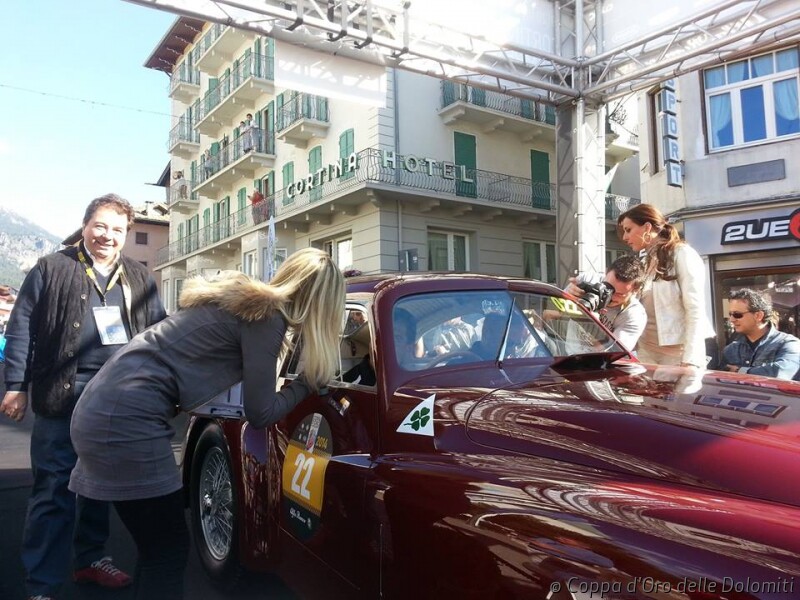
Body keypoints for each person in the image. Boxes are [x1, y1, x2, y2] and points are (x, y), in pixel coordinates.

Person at [68, 248, 345, 600]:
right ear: (322, 302)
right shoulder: (267, 317)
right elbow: (261, 413)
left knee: (156, 548)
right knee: (167, 551)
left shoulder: (248, 306)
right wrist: (306, 384)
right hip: (126, 418)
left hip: (104, 407)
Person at [0, 193, 166, 600]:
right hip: (62, 392)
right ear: (85, 226)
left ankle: (90, 560)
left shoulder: (139, 277)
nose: (108, 236)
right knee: (54, 487)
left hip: (116, 396)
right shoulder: (51, 268)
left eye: (117, 229)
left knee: (100, 484)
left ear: (126, 234)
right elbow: (21, 328)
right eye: (100, 226)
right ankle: (42, 584)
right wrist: (16, 386)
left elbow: (158, 334)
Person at [616, 203, 714, 368]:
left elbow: (695, 309)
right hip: (645, 352)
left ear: (647, 227)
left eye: (628, 230)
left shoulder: (683, 254)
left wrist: (691, 359)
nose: (625, 237)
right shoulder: (644, 262)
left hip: (677, 355)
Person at [565, 255, 647, 351]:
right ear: (606, 273)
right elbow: (554, 312)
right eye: (608, 288)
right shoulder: (587, 280)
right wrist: (567, 299)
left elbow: (614, 351)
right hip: (566, 352)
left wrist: (591, 319)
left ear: (635, 291)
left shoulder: (635, 315)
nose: (610, 296)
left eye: (619, 294)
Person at [721, 289, 800, 380]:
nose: (731, 319)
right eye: (730, 314)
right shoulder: (731, 350)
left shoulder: (789, 343)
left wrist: (739, 372)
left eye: (737, 314)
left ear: (758, 315)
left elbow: (781, 372)